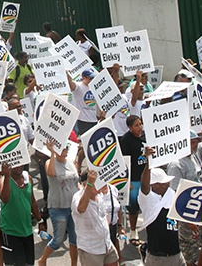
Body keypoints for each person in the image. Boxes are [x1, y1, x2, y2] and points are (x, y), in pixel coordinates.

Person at [167, 130, 202, 266]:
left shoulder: (195, 153)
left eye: (197, 141)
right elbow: (174, 194)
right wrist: (187, 219)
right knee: (189, 252)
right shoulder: (176, 165)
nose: (195, 144)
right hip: (189, 215)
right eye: (192, 142)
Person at [139, 147, 185, 266]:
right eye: (163, 183)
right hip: (158, 258)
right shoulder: (147, 200)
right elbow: (144, 184)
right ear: (153, 185)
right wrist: (148, 162)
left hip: (176, 254)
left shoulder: (171, 194)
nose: (167, 184)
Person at [38, 140, 79, 266]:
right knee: (58, 240)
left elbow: (76, 181)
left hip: (72, 207)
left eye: (65, 149)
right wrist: (51, 153)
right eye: (60, 149)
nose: (63, 151)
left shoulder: (72, 162)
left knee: (74, 239)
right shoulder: (50, 162)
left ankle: (73, 264)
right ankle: (43, 259)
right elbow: (51, 174)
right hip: (58, 207)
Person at [0, 163, 46, 266]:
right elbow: (5, 199)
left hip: (27, 231)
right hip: (10, 232)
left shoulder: (28, 178)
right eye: (15, 164)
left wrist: (40, 220)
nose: (19, 166)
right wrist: (7, 176)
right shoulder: (3, 181)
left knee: (28, 263)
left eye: (21, 163)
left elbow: (32, 201)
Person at [71, 169, 119, 266]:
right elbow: (81, 208)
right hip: (91, 249)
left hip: (106, 244)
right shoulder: (77, 197)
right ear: (86, 185)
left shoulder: (100, 196)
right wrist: (90, 184)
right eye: (96, 183)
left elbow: (104, 213)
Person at [118, 114, 147, 246]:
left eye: (140, 124)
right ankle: (133, 232)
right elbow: (124, 162)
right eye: (136, 125)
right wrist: (127, 181)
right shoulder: (125, 140)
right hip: (134, 180)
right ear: (130, 127)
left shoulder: (146, 137)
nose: (140, 127)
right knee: (133, 207)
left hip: (146, 178)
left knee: (148, 205)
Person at [68, 69, 98, 136]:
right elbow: (71, 85)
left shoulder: (95, 87)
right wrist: (68, 75)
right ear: (83, 77)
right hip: (82, 120)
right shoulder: (78, 86)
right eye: (90, 78)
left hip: (93, 119)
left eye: (93, 78)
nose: (92, 80)